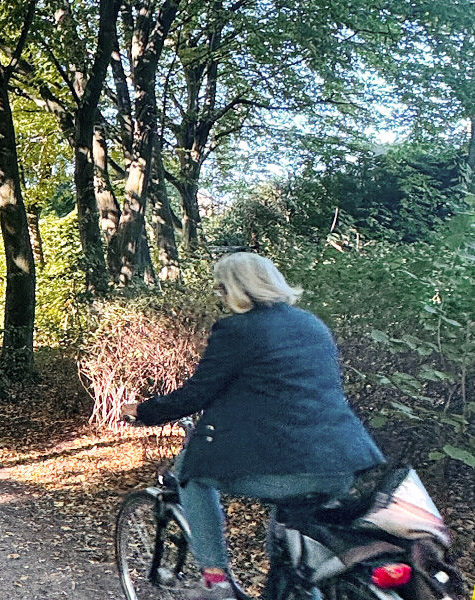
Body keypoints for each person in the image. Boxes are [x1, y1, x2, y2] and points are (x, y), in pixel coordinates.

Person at [121, 252, 384, 600]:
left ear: (237, 288)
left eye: (221, 288)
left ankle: (215, 580)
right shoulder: (312, 324)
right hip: (345, 462)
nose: (220, 296)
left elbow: (197, 393)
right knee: (293, 556)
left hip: (291, 468)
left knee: (191, 474)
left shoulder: (237, 330)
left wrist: (143, 411)